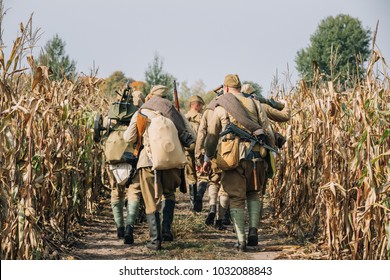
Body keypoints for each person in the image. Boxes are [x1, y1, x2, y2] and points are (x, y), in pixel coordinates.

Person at [203, 74, 276, 251]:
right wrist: (271, 154)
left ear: (226, 89)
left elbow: (211, 136)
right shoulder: (255, 103)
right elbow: (268, 130)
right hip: (257, 156)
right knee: (254, 193)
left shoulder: (221, 107)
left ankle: (241, 241)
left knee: (236, 198)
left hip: (232, 158)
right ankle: (253, 231)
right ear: (239, 87)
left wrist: (208, 157)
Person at [123, 85, 195, 250]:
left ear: (150, 96)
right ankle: (166, 230)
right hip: (171, 162)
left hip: (147, 161)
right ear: (166, 97)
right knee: (168, 194)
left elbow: (128, 137)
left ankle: (155, 241)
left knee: (150, 200)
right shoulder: (175, 113)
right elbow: (192, 137)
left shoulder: (141, 111)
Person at [195, 92, 230, 229]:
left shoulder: (208, 111)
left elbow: (202, 133)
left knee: (213, 181)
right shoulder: (233, 109)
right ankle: (223, 217)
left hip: (213, 151)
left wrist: (199, 155)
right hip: (230, 151)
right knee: (226, 184)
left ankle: (212, 209)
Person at [185, 95, 208, 212]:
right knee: (203, 176)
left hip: (187, 150)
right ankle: (199, 196)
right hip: (201, 151)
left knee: (191, 177)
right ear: (197, 105)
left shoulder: (183, 118)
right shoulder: (202, 117)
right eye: (201, 106)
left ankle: (193, 205)